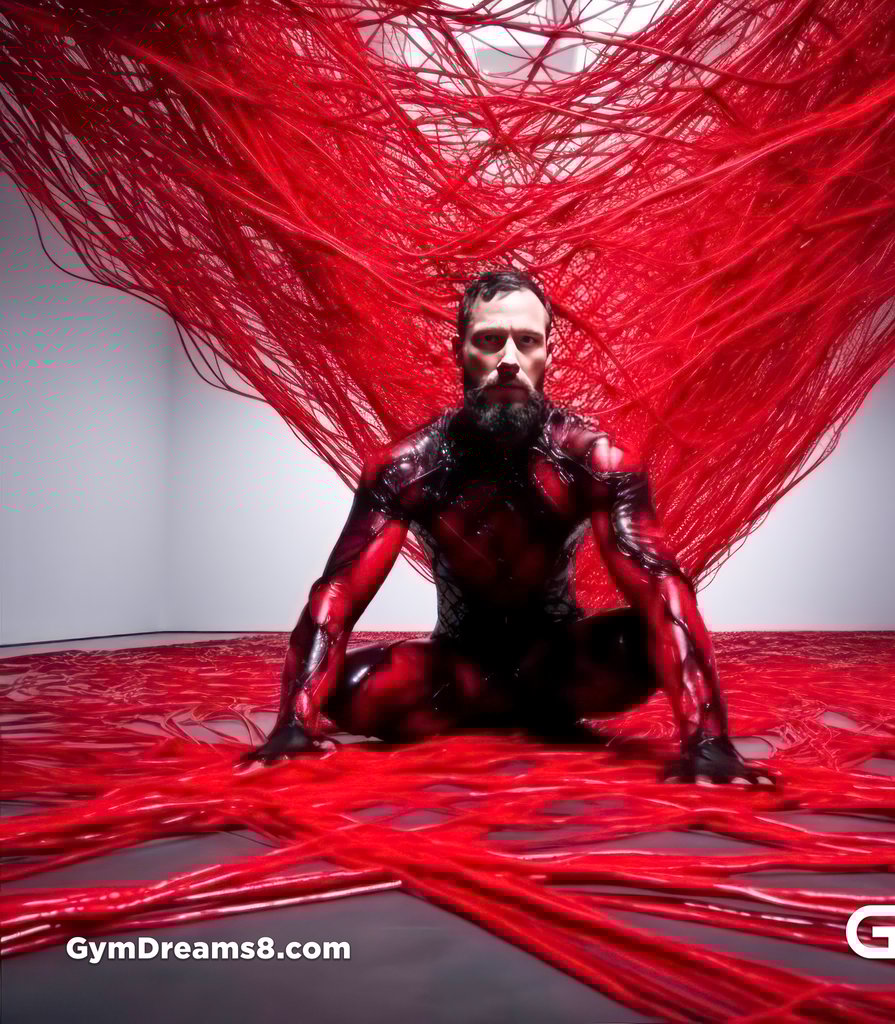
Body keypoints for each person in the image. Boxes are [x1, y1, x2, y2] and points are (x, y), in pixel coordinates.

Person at [243, 270, 773, 784]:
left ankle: (505, 707)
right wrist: (293, 726)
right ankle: (517, 711)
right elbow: (340, 589)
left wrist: (708, 740)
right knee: (347, 689)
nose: (509, 361)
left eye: (526, 341)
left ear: (547, 354)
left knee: (642, 645)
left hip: (558, 662)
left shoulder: (593, 457)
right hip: (458, 669)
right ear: (460, 353)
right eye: (490, 340)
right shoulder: (407, 466)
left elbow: (659, 584)